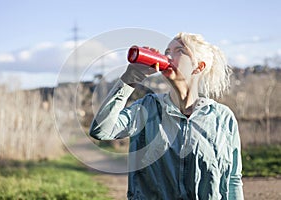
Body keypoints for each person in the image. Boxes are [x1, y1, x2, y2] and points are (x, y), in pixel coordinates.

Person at [89, 32, 244, 200]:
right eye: (167, 50)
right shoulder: (146, 108)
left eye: (179, 50)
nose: (168, 55)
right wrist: (130, 79)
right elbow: (101, 130)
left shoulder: (222, 117)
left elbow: (233, 179)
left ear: (199, 67)